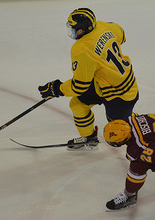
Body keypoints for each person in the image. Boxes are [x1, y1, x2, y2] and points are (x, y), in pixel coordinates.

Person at [38, 8, 139, 151]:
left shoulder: (81, 49)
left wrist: (57, 89)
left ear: (84, 29)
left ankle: (140, 127)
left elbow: (79, 86)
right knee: (77, 105)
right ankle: (89, 138)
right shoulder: (104, 26)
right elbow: (122, 35)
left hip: (121, 94)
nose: (72, 31)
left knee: (120, 131)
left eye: (75, 28)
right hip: (104, 84)